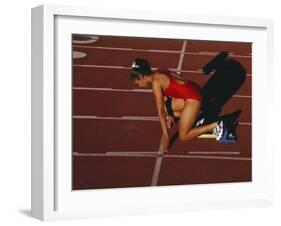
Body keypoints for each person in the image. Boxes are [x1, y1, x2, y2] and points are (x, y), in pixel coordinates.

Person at [130, 58, 224, 151]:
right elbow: (165, 98)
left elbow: (160, 112)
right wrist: (170, 114)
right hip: (196, 91)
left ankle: (215, 125)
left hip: (194, 99)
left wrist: (166, 136)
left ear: (141, 76)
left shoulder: (156, 83)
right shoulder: (159, 71)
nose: (138, 85)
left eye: (137, 82)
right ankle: (192, 117)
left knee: (183, 136)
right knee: (167, 109)